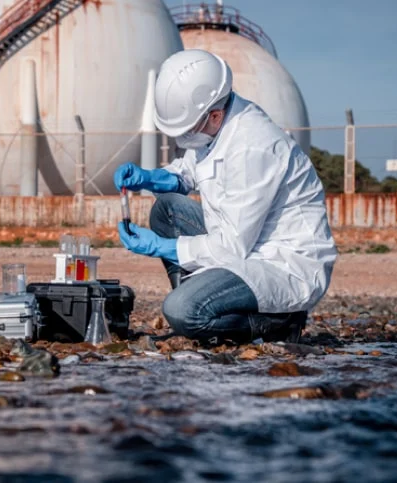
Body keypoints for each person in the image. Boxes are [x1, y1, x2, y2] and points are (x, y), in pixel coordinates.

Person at [113, 49, 337, 345]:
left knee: (180, 310)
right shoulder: (216, 123)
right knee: (167, 209)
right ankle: (205, 305)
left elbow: (231, 246)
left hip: (283, 265)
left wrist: (161, 247)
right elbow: (190, 170)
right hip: (246, 243)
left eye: (186, 131)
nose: (183, 140)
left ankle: (278, 323)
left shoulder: (253, 148)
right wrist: (153, 177)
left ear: (214, 115)